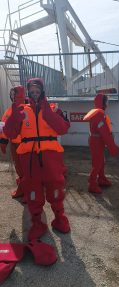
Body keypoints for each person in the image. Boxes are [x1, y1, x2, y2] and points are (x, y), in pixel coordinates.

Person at [4, 78, 70, 240]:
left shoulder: (54, 109)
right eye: (31, 91)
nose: (34, 94)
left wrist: (47, 112)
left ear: (42, 91)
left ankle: (60, 219)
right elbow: (10, 133)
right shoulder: (21, 110)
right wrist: (14, 115)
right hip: (30, 160)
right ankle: (38, 224)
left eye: (37, 91)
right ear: (28, 92)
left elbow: (63, 129)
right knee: (33, 191)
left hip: (51, 159)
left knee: (56, 188)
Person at [83, 93, 119, 194]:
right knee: (97, 163)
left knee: (101, 161)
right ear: (103, 103)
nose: (108, 103)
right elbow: (104, 133)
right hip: (96, 142)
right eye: (107, 101)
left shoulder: (98, 113)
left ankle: (101, 179)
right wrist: (113, 147)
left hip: (97, 141)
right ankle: (92, 183)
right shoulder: (99, 115)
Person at [0, 86, 25, 199]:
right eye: (12, 94)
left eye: (14, 94)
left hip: (23, 145)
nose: (12, 96)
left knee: (22, 169)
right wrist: (4, 142)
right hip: (17, 144)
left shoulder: (22, 109)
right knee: (21, 168)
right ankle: (24, 185)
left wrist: (3, 142)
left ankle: (25, 191)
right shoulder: (26, 108)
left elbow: (4, 127)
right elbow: (4, 127)